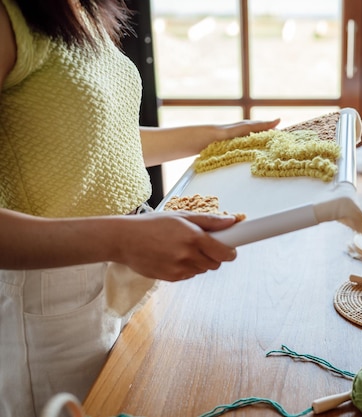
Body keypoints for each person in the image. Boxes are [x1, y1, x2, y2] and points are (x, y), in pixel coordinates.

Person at [0, 0, 280, 415]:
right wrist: (123, 238)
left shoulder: (84, 11)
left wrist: (217, 136)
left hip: (119, 271)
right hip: (51, 297)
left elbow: (97, 141)